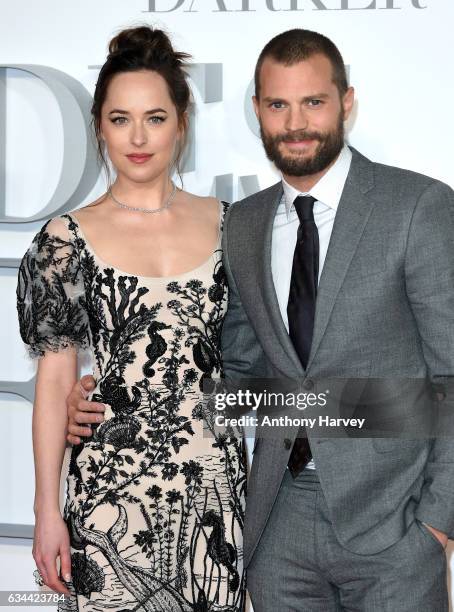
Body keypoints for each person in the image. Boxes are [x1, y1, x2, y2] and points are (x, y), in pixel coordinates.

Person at [66, 28, 454, 611]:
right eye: (278, 104)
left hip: (394, 523)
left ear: (346, 102)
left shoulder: (416, 206)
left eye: (313, 102)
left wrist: (437, 520)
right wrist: (116, 397)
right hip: (278, 521)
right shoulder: (243, 225)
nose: (296, 123)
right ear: (258, 111)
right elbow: (235, 373)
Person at [16, 25, 246, 612]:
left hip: (212, 494)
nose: (138, 137)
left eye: (155, 118)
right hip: (108, 502)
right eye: (120, 119)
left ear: (182, 123)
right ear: (99, 126)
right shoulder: (65, 240)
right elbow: (55, 383)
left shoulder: (234, 226)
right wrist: (46, 514)